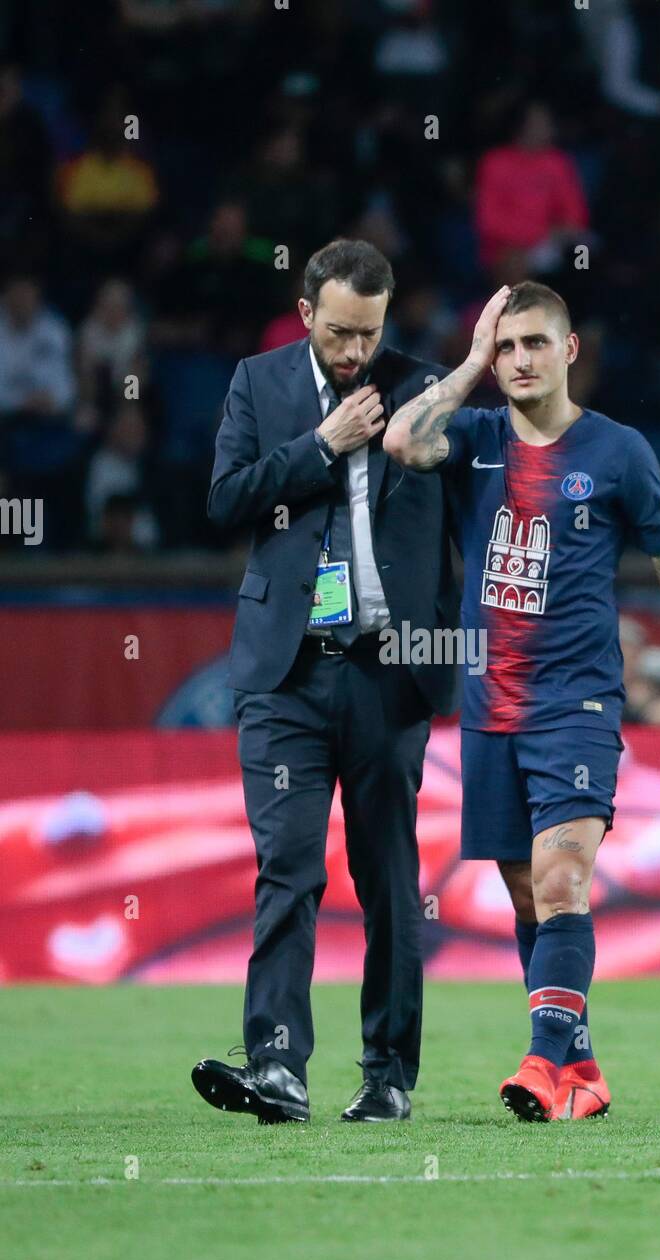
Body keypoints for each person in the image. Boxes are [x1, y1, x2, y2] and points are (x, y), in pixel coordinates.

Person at [384, 281, 660, 1122]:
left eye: (533, 344)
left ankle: (542, 1063)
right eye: (506, 348)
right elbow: (402, 438)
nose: (518, 360)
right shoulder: (472, 436)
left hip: (577, 702)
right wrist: (468, 361)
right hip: (489, 708)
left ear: (570, 350)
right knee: (526, 895)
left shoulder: (619, 453)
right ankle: (582, 1070)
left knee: (561, 879)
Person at [193, 239, 459, 1124]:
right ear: (306, 312)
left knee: (388, 878)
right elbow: (225, 502)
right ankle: (276, 1066)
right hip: (286, 673)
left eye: (370, 334)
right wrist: (320, 446)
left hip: (389, 672)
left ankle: (387, 1074)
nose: (354, 353)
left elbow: (477, 502)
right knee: (288, 866)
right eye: (340, 332)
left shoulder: (423, 389)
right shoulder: (258, 384)